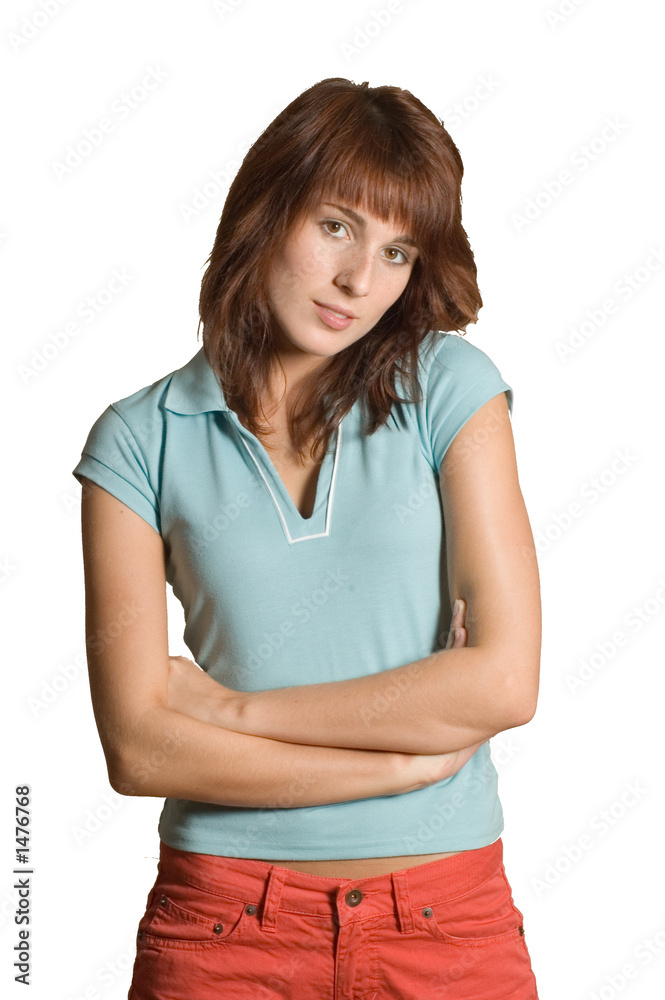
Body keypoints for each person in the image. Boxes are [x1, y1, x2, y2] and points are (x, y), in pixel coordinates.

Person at [72, 77, 541, 999]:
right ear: (265, 209)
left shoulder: (449, 387)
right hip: (222, 928)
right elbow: (140, 750)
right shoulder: (136, 440)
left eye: (396, 251)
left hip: (446, 922)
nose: (359, 281)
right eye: (336, 226)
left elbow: (501, 684)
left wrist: (227, 712)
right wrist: (403, 761)